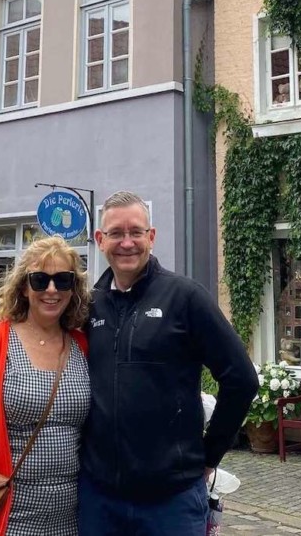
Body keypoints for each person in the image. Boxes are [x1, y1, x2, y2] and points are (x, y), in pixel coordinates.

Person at [79, 191, 259, 536]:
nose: (127, 242)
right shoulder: (90, 305)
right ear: (100, 240)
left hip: (171, 501)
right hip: (99, 498)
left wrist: (209, 455)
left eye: (136, 232)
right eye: (116, 233)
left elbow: (241, 379)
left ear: (152, 237)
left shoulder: (185, 297)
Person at [0, 236, 91, 536]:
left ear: (73, 288)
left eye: (62, 280)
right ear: (24, 287)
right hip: (9, 517)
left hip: (73, 520)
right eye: (40, 280)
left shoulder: (81, 344)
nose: (51, 290)